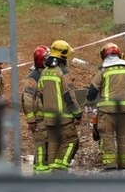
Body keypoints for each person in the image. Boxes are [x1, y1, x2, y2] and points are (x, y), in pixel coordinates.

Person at [86, 42, 125, 171]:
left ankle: (110, 166)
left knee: (107, 138)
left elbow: (92, 92)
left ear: (104, 56)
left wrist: (89, 102)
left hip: (107, 112)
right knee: (124, 138)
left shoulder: (103, 71)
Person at [35, 40, 82, 172]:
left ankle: (52, 173)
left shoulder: (44, 72)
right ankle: (60, 169)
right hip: (63, 119)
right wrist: (77, 113)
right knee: (71, 141)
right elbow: (69, 96)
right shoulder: (63, 72)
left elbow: (40, 95)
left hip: (49, 119)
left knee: (53, 144)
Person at [21, 46, 50, 174]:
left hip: (48, 118)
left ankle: (41, 172)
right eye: (46, 59)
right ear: (39, 61)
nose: (48, 61)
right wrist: (31, 120)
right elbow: (27, 99)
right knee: (41, 146)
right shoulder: (33, 78)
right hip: (39, 120)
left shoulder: (48, 74)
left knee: (47, 146)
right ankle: (40, 173)